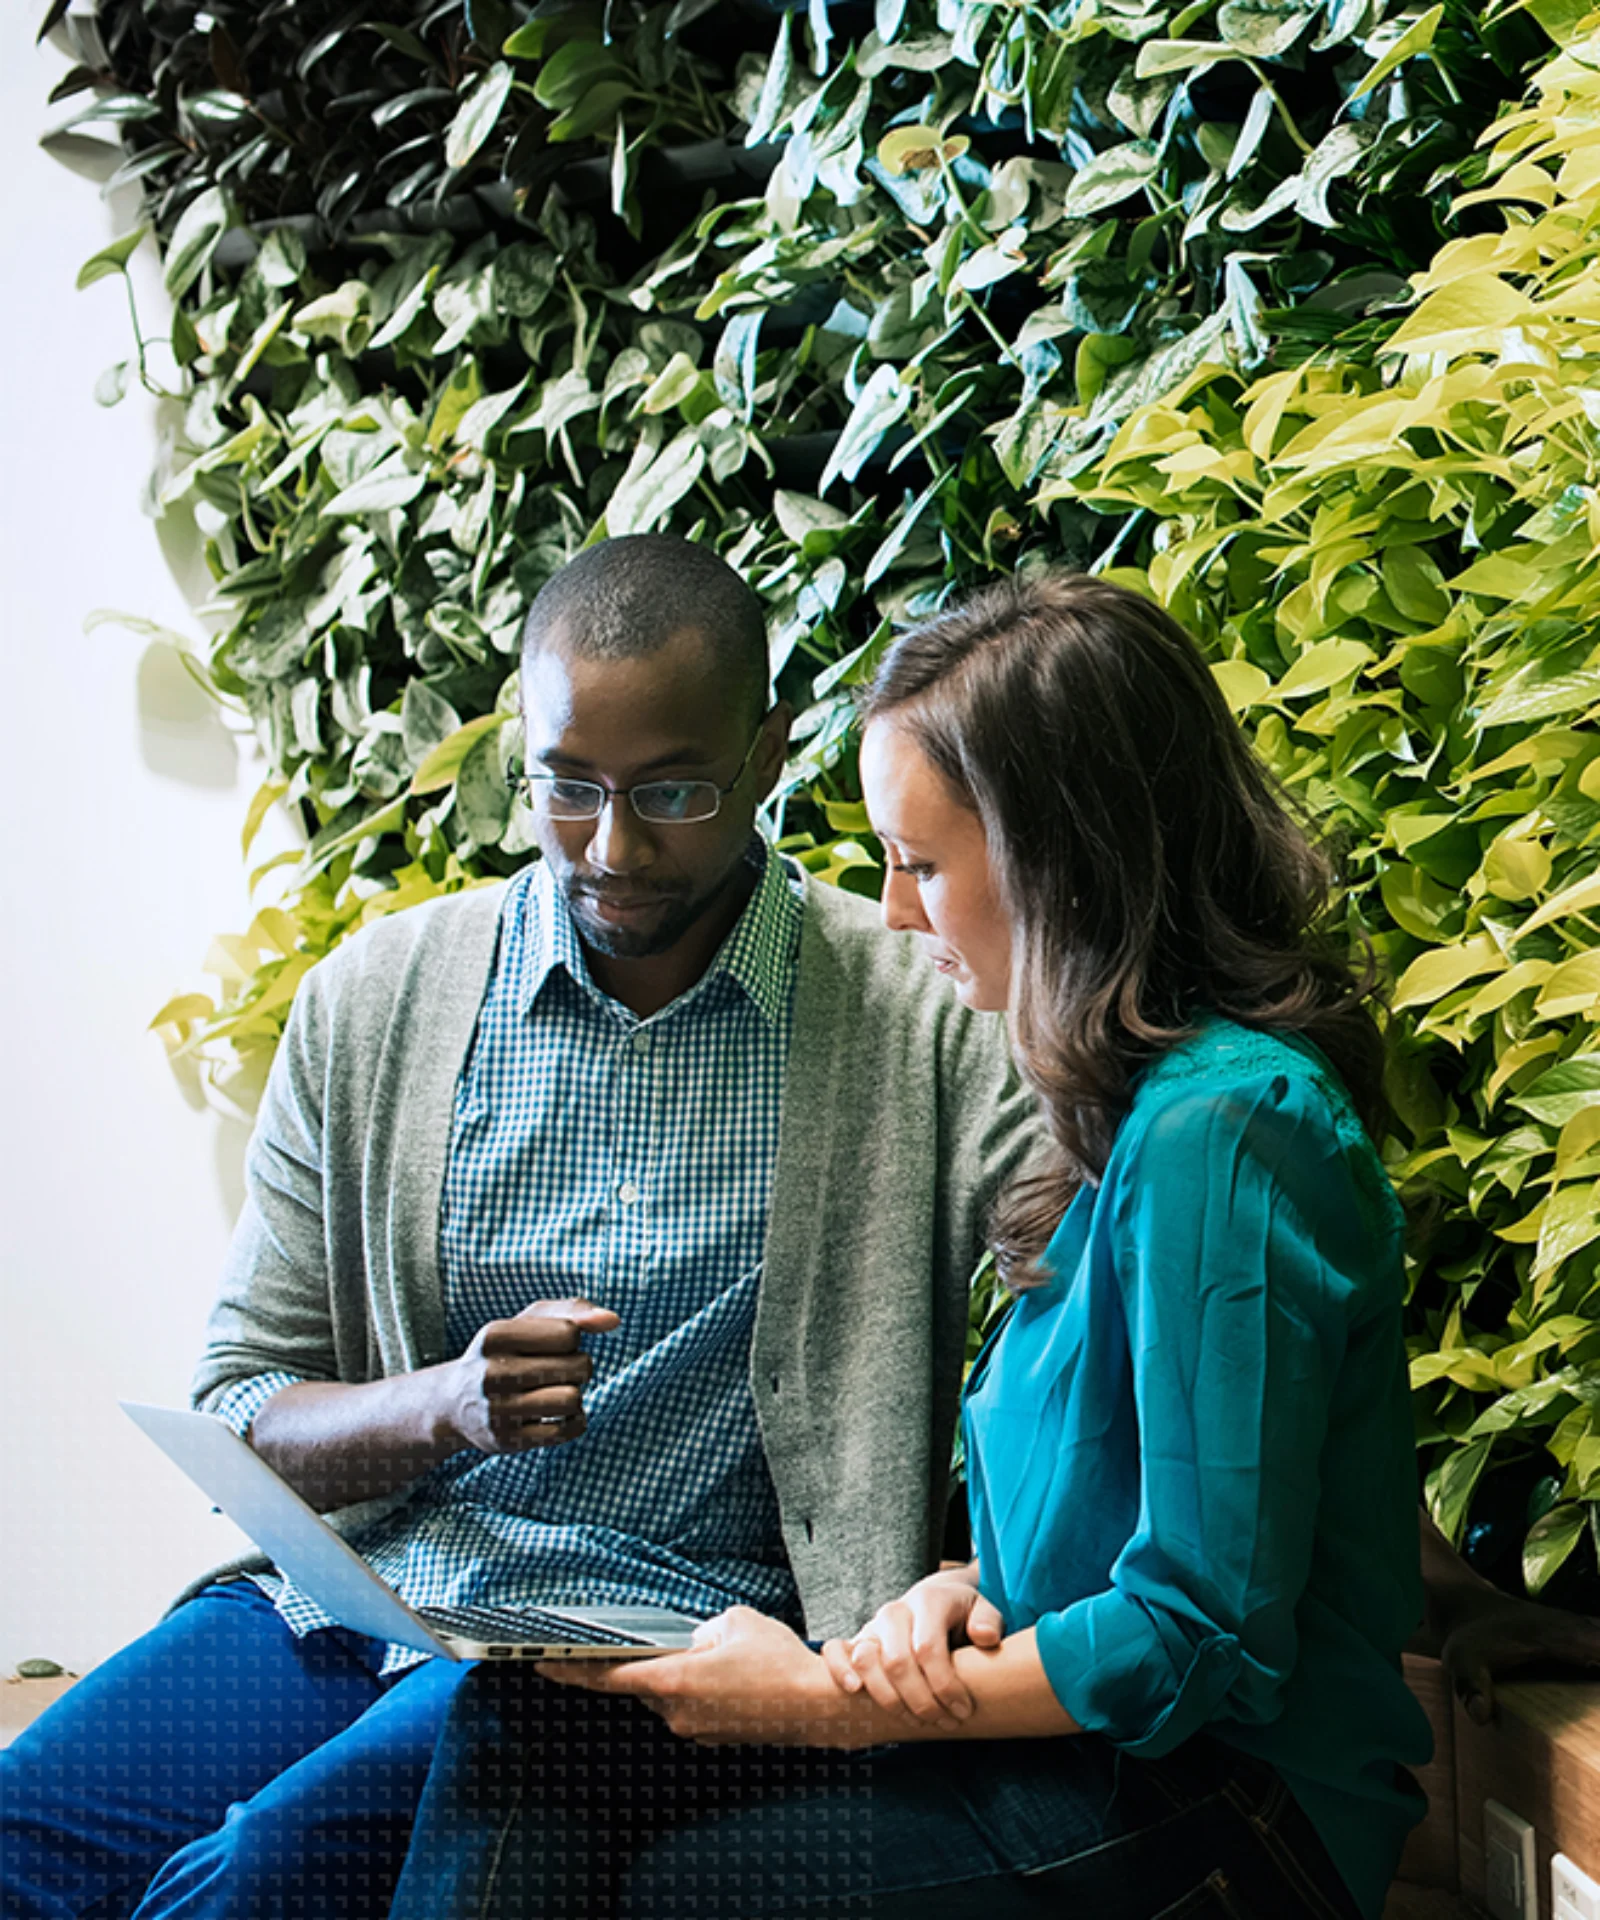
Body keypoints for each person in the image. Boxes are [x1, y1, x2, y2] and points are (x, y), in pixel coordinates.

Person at [0, 535, 1040, 1920]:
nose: (611, 849)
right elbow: (239, 1406)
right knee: (24, 1838)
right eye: (566, 788)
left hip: (630, 1650)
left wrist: (961, 1575)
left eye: (672, 791)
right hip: (350, 1604)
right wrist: (443, 1409)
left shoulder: (921, 1020)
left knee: (258, 1875)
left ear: (771, 752)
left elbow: (1082, 1344)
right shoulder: (377, 1002)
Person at [385, 570, 1448, 1920]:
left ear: (1067, 857)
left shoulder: (1229, 1129)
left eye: (923, 863)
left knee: (677, 1894)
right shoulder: (1120, 1117)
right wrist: (957, 1595)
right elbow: (1105, 1533)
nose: (893, 913)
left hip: (1223, 1815)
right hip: (1083, 1761)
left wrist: (830, 1700)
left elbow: (1199, 1640)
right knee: (533, 1733)